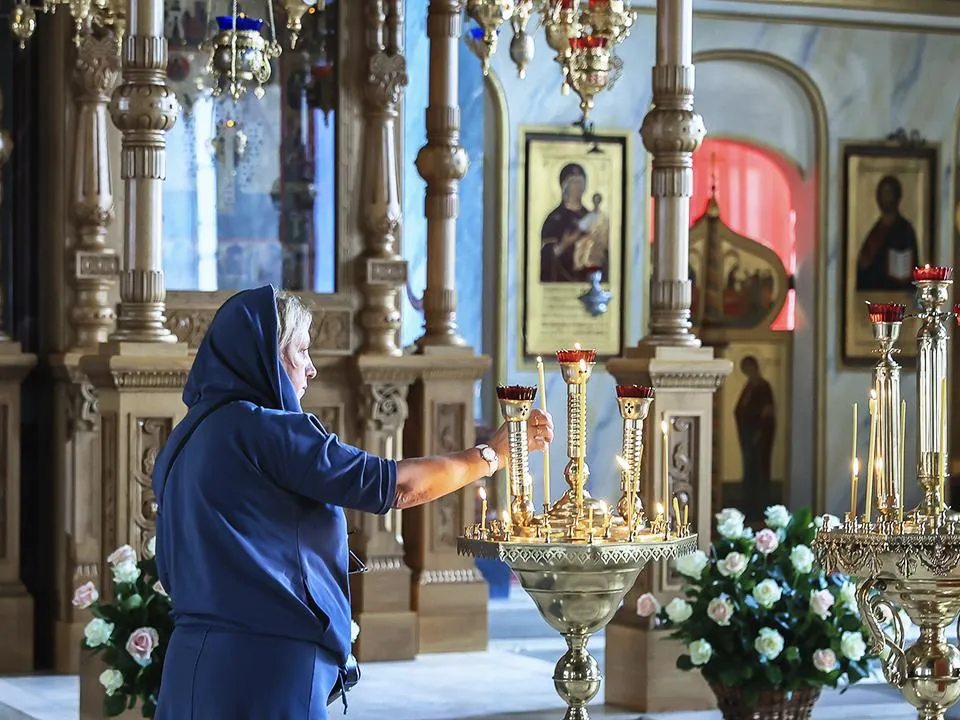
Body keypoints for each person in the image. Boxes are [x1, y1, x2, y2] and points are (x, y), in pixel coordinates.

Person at [152, 286, 554, 719]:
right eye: (301, 351)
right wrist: (493, 455)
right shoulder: (268, 430)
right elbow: (395, 486)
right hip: (267, 661)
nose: (310, 370)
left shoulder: (185, 437)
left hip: (191, 662)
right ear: (267, 356)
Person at [855, 175, 919, 291]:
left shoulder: (904, 229)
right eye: (883, 193)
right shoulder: (876, 229)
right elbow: (863, 265)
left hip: (895, 295)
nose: (885, 197)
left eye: (888, 193)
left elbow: (907, 271)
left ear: (896, 196)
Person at [734, 355, 776, 521]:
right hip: (748, 436)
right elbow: (740, 409)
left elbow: (767, 414)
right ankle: (750, 507)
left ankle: (759, 509)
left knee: (759, 470)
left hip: (759, 437)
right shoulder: (749, 386)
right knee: (750, 471)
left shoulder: (763, 387)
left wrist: (758, 433)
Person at [540, 163, 593, 283]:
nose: (577, 187)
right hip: (560, 281)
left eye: (580, 182)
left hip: (586, 281)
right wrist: (563, 246)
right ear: (564, 185)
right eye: (573, 182)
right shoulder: (554, 219)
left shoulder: (590, 217)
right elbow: (543, 257)